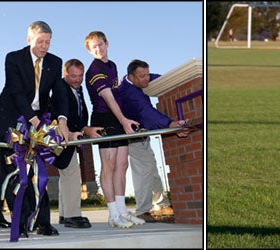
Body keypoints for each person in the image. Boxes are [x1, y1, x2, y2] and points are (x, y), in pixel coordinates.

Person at [0, 20, 70, 238]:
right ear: (29, 39)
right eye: (40, 41)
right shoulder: (13, 58)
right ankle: (21, 223)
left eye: (48, 42)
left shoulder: (54, 62)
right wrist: (35, 122)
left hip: (37, 123)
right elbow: (16, 93)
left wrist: (62, 121)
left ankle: (43, 223)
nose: (44, 46)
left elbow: (59, 93)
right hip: (11, 121)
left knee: (40, 172)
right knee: (17, 175)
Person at [83, 31, 145, 228]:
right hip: (104, 118)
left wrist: (126, 120)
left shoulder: (113, 66)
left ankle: (122, 210)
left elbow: (118, 95)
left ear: (107, 43)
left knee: (122, 165)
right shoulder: (94, 69)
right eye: (94, 47)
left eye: (100, 44)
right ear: (89, 50)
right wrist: (124, 121)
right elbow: (108, 98)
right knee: (108, 166)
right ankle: (112, 214)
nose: (98, 49)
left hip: (118, 118)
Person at [118, 59, 190, 222]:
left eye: (147, 74)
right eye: (142, 76)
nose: (146, 79)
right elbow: (146, 113)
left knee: (152, 169)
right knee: (144, 169)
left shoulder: (139, 81)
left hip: (143, 136)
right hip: (132, 137)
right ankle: (142, 210)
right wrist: (170, 124)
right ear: (131, 76)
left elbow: (160, 79)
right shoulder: (128, 92)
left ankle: (161, 205)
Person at [52, 59, 103, 229]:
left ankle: (63, 214)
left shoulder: (79, 90)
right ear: (65, 75)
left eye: (80, 76)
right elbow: (62, 111)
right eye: (73, 76)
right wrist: (66, 129)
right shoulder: (60, 87)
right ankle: (72, 215)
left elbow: (79, 115)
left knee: (66, 174)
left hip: (73, 137)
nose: (77, 80)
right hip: (62, 135)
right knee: (72, 173)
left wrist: (86, 129)